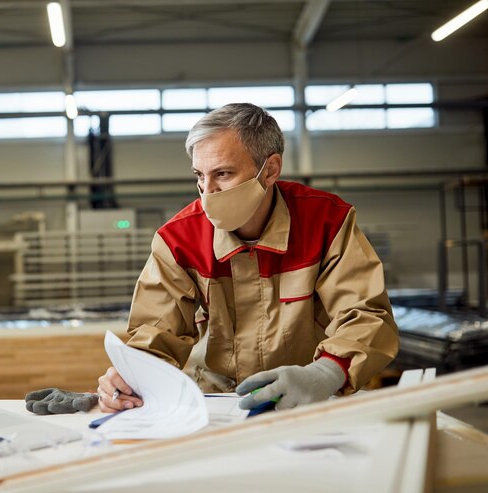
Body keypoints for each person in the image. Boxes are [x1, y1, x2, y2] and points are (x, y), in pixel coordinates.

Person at [96, 102, 399, 413]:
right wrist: (132, 378)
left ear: (270, 170)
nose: (207, 191)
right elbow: (155, 332)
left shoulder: (326, 223)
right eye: (200, 175)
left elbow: (367, 314)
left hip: (307, 397)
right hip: (215, 403)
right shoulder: (178, 239)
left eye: (223, 174)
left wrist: (324, 373)